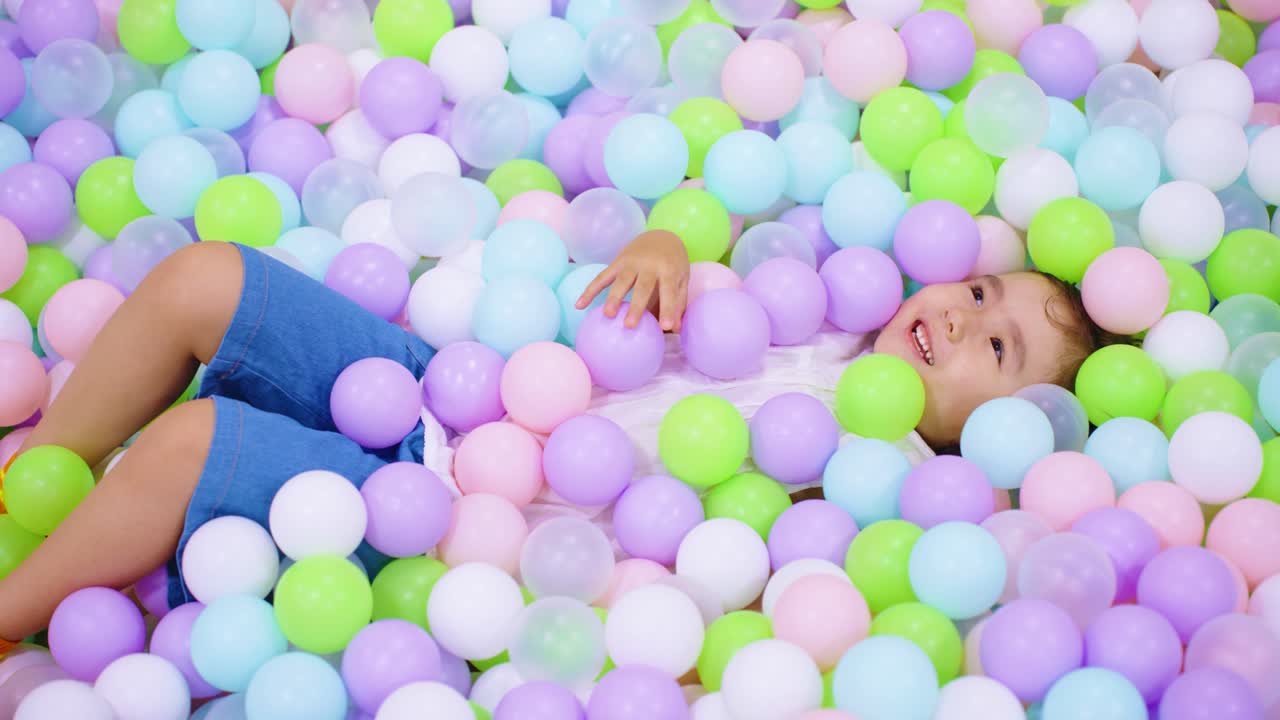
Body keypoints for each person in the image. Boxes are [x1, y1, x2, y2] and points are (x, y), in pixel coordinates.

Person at [0, 229, 1122, 647]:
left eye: (995, 348)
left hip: (451, 520)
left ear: (1007, 434)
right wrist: (665, 252)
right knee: (209, 274)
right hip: (439, 383)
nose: (963, 318)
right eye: (980, 290)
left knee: (202, 441)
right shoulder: (823, 300)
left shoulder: (898, 492)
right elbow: (675, 256)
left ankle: (10, 620)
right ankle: (38, 462)